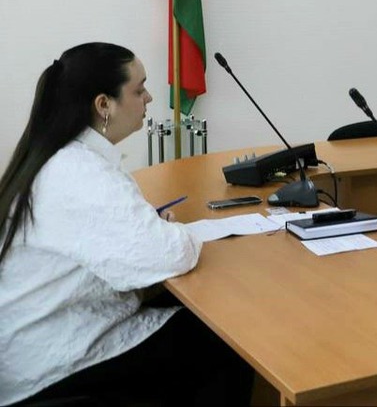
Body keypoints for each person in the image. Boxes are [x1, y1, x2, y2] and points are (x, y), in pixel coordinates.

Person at [0, 43, 253, 405]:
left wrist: (152, 230)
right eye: (139, 89)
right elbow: (171, 255)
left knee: (196, 317)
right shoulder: (80, 171)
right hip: (53, 359)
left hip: (31, 344)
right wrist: (172, 231)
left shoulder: (60, 157)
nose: (149, 98)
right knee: (230, 338)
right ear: (104, 104)